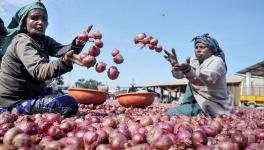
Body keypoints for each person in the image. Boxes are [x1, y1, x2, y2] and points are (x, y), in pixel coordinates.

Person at [0, 1, 89, 116]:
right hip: (15, 101)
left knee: (59, 91)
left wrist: (78, 43)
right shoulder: (22, 41)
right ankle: (15, 110)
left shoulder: (44, 41)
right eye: (34, 18)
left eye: (44, 19)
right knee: (68, 103)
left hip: (32, 93)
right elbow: (39, 70)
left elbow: (64, 51)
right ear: (24, 23)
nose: (40, 22)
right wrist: (64, 62)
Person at [164, 33, 233, 117]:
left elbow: (208, 78)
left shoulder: (217, 61)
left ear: (211, 49)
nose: (198, 50)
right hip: (197, 100)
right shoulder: (194, 61)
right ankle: (187, 105)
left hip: (212, 103)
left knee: (170, 112)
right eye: (196, 47)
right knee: (191, 79)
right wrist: (174, 64)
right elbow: (180, 75)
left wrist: (188, 70)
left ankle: (201, 112)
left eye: (202, 47)